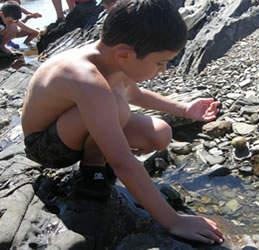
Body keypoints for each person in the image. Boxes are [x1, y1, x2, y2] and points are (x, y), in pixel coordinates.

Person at [22, 0, 224, 245]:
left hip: (74, 128)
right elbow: (123, 162)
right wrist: (173, 220)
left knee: (159, 133)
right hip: (46, 146)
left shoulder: (110, 57)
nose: (164, 69)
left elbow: (135, 94)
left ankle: (96, 155)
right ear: (125, 54)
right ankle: (92, 172)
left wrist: (184, 109)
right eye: (160, 62)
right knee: (115, 105)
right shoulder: (85, 76)